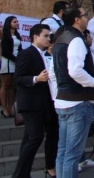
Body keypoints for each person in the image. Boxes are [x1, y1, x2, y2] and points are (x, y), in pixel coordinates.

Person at [52, 5, 94, 178]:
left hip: (64, 100)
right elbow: (75, 70)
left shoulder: (60, 38)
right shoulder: (76, 39)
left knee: (63, 151)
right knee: (72, 154)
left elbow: (55, 70)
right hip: (77, 101)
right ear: (77, 19)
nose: (87, 18)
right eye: (85, 15)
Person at [13, 24, 58, 178]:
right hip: (31, 104)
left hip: (45, 103)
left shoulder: (45, 54)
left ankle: (23, 173)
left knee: (31, 139)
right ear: (35, 37)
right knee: (35, 137)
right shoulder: (27, 54)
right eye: (45, 36)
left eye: (49, 36)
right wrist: (36, 79)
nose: (48, 38)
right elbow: (17, 78)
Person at [1, 15, 22, 117]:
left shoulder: (17, 35)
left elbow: (20, 49)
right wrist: (15, 59)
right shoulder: (5, 36)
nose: (17, 23)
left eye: (17, 21)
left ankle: (10, 108)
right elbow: (5, 52)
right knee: (6, 84)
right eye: (14, 22)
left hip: (16, 62)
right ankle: (4, 109)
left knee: (12, 86)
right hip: (7, 62)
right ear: (9, 23)